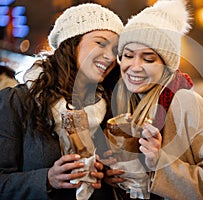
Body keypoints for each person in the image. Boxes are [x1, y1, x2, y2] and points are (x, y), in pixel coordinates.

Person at [104, 0, 203, 199]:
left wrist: (160, 163)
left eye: (148, 58)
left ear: (167, 64)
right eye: (128, 55)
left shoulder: (189, 105)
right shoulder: (131, 106)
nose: (135, 66)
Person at [0, 3, 123, 200]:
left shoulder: (112, 106)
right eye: (100, 43)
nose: (109, 56)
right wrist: (47, 179)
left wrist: (110, 175)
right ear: (71, 43)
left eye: (115, 49)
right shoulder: (18, 102)